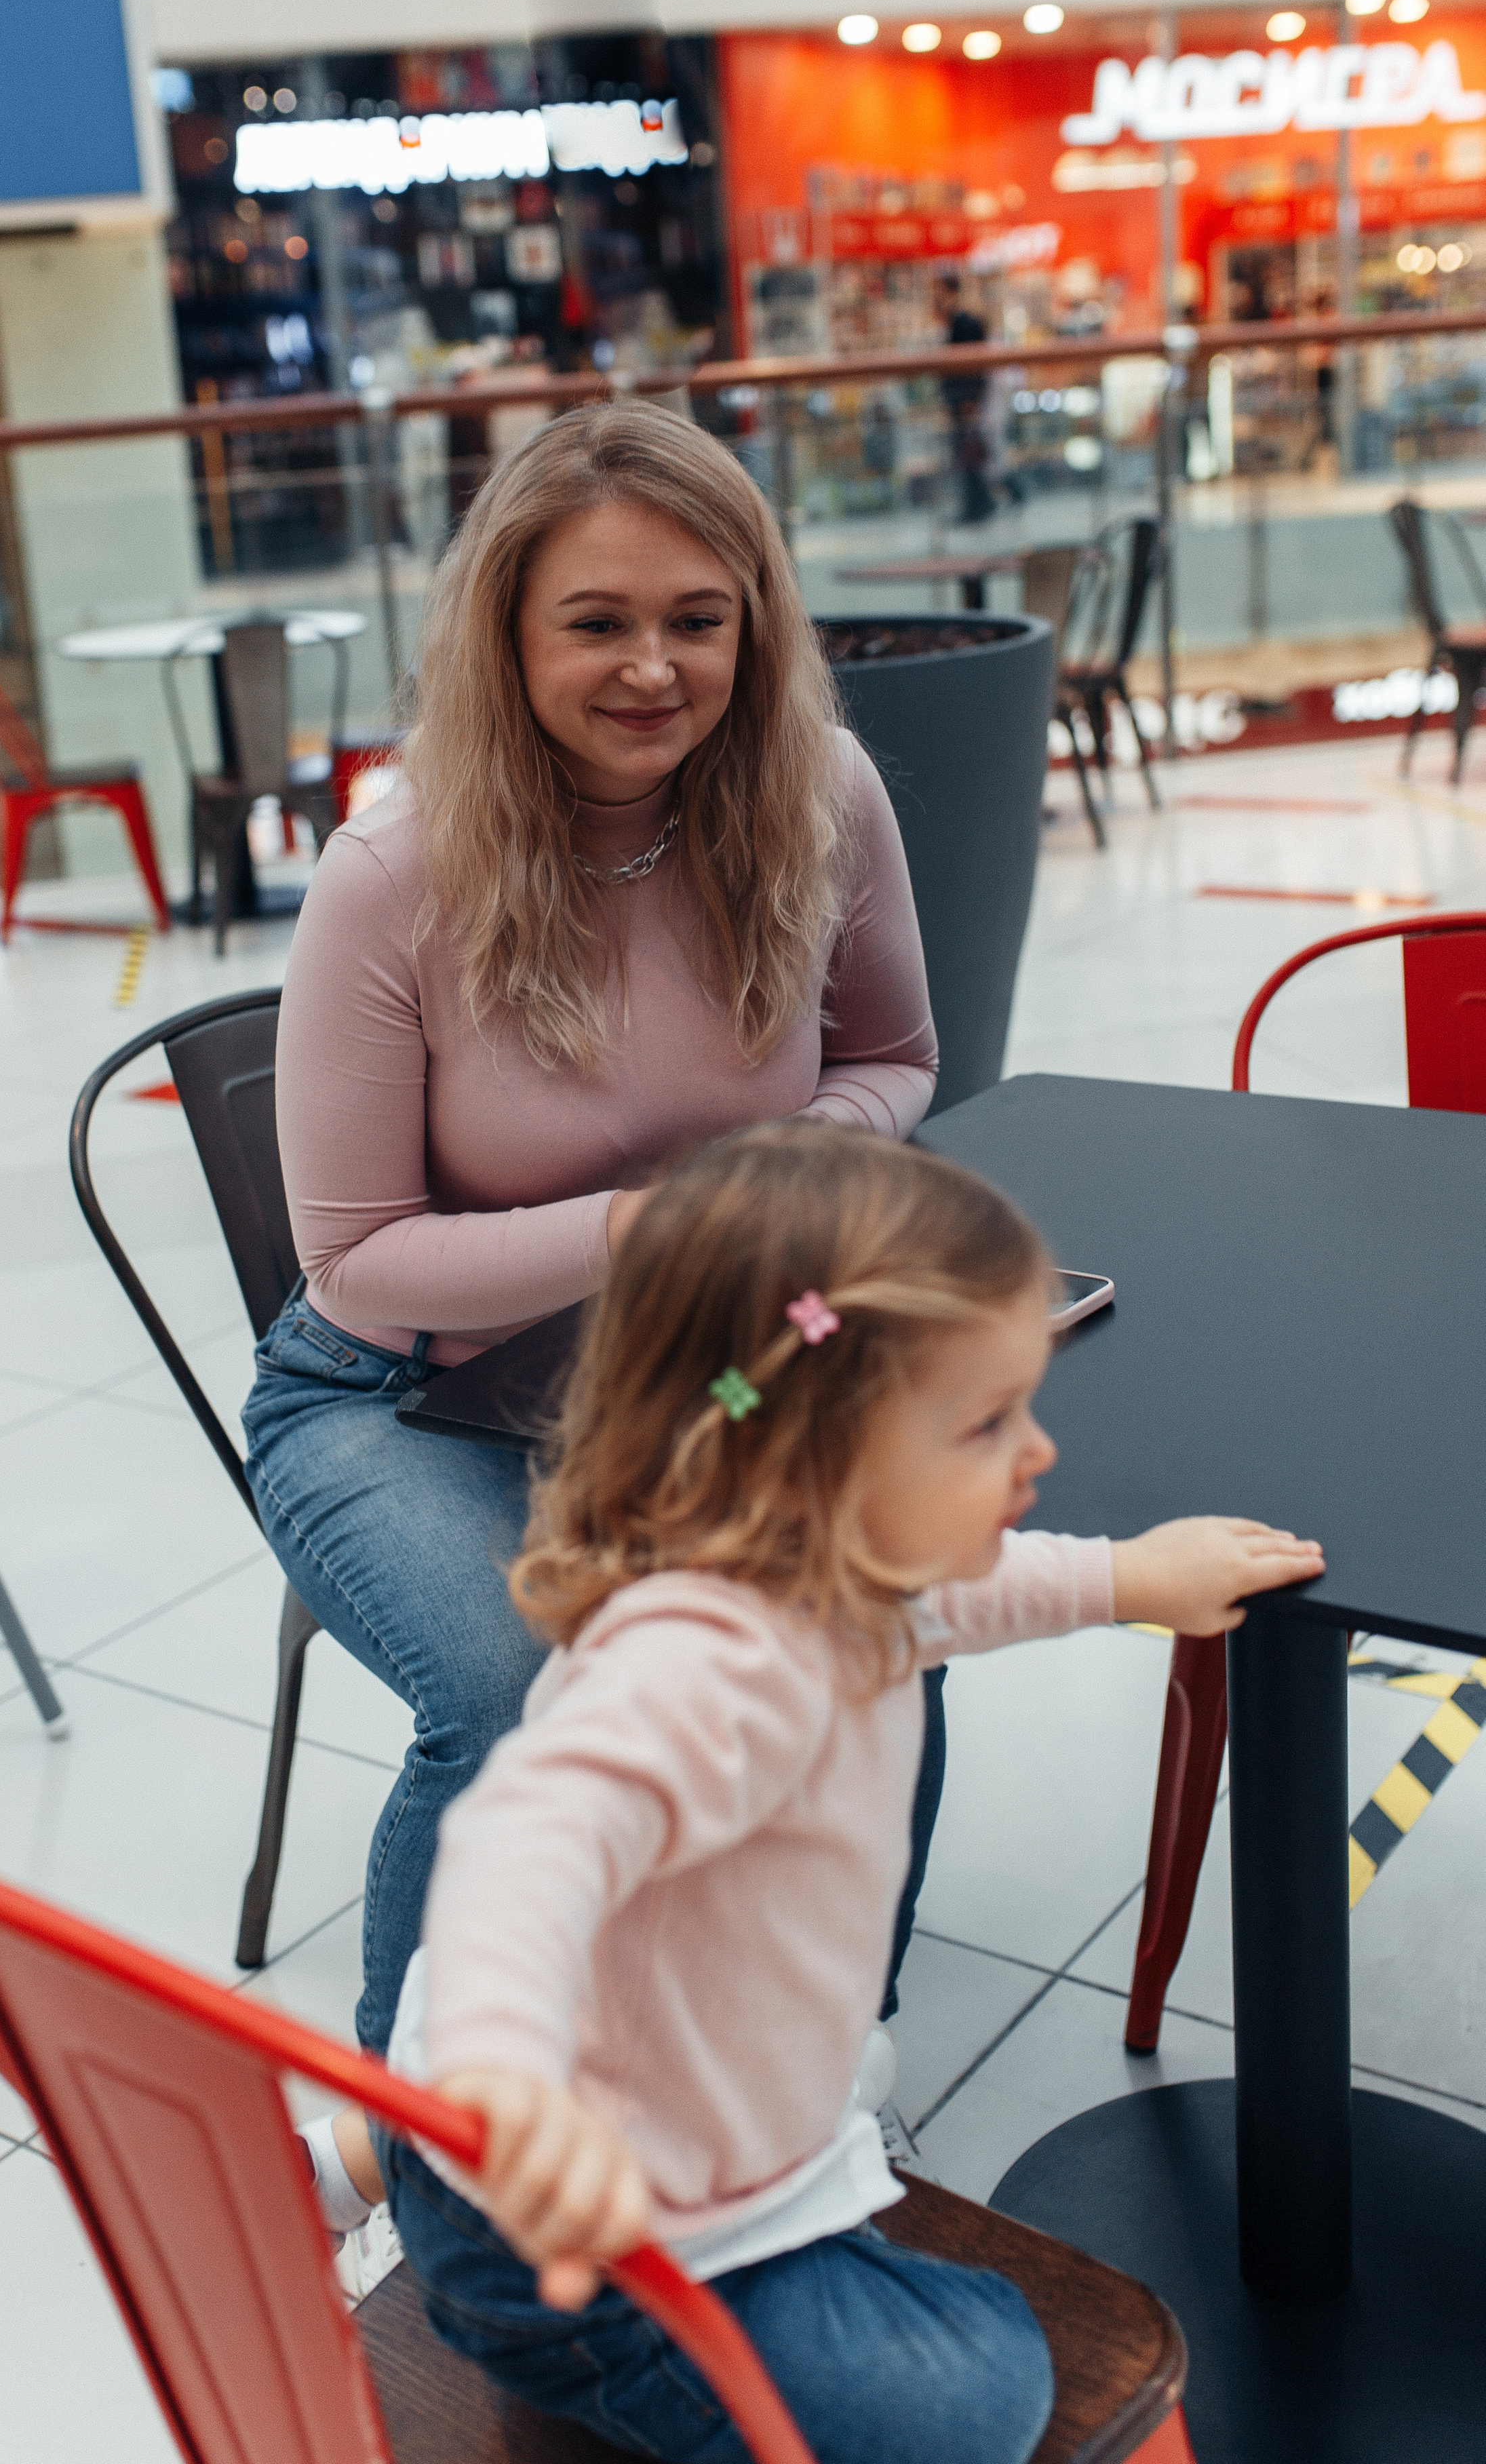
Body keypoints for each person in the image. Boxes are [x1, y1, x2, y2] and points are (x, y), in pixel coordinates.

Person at [370, 1120, 1325, 2463]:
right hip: (586, 2255)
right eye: (986, 1423)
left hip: (625, 2126)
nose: (1035, 1452)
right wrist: (501, 2082)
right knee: (979, 2397)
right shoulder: (705, 1666)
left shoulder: (825, 1567)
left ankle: (384, 2141)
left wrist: (1123, 1577)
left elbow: (958, 1595)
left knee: (879, 2182)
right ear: (815, 1455)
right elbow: (528, 1845)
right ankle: (417, 2153)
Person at [243, 402, 941, 2201]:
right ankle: (421, 2161)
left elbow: (897, 1062)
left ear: (757, 624)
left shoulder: (820, 794)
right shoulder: (399, 873)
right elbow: (357, 1259)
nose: (655, 667)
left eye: (698, 619)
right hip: (397, 1390)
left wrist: (769, 1204)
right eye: (598, 621)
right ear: (509, 632)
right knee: (514, 1690)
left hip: (705, 1371)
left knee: (864, 1641)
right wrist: (664, 1221)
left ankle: (794, 2084)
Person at [933, 270, 995, 526]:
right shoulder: (954, 322)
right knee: (966, 452)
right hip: (961, 398)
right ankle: (980, 504)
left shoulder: (965, 323)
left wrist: (970, 398)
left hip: (965, 399)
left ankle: (979, 505)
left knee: (969, 451)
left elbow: (974, 366)